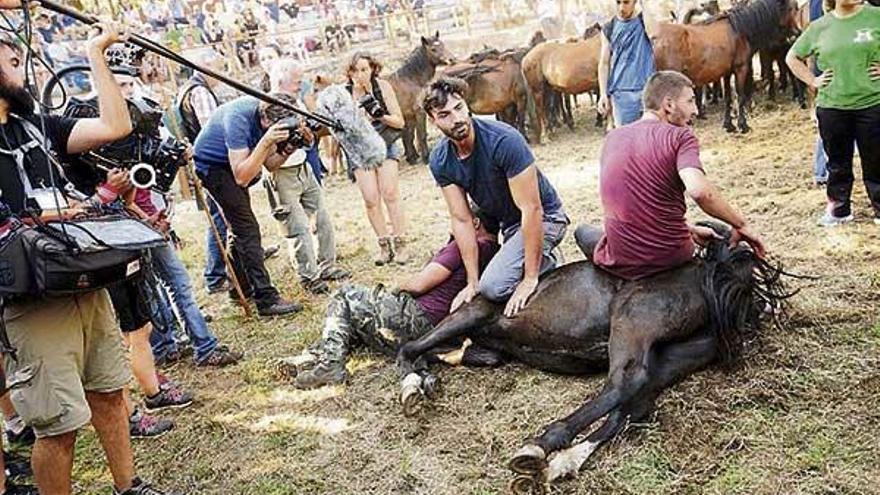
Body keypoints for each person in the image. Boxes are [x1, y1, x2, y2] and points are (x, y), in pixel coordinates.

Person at [0, 16, 175, 495]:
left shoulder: (35, 126)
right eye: (11, 60)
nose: (22, 67)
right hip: (31, 301)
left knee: (110, 393)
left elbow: (115, 125)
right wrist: (63, 214)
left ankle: (129, 487)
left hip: (82, 279)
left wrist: (97, 53)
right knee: (58, 424)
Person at [574, 71, 766, 281]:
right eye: (691, 101)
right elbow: (700, 191)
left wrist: (688, 229)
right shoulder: (681, 136)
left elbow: (631, 202)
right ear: (668, 105)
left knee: (582, 231)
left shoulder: (612, 137)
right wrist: (741, 224)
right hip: (668, 256)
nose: (695, 109)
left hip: (620, 258)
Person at [292, 206, 500, 389]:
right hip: (442, 330)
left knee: (344, 295)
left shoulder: (464, 245)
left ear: (474, 222)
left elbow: (420, 284)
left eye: (458, 218)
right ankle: (313, 355)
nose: (453, 222)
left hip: (417, 314)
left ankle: (330, 364)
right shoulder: (496, 255)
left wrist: (395, 288)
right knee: (356, 321)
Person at [422, 77, 568, 319]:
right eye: (445, 114)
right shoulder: (440, 160)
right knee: (480, 284)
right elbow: (461, 219)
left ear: (466, 105)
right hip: (509, 226)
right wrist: (471, 282)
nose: (457, 118)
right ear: (432, 119)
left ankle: (547, 262)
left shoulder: (504, 140)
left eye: (459, 108)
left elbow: (532, 209)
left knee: (493, 288)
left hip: (544, 218)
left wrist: (530, 278)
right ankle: (524, 257)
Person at [193, 92, 306, 317]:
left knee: (240, 229)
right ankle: (266, 299)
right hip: (213, 167)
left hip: (234, 166)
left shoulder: (269, 123)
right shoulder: (238, 119)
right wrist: (266, 142)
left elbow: (271, 165)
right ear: (265, 121)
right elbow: (242, 177)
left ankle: (239, 288)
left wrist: (288, 147)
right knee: (247, 229)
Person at [786, 0, 880, 226]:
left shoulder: (876, 15)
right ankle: (839, 210)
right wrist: (813, 80)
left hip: (872, 103)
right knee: (837, 164)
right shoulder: (820, 26)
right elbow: (792, 57)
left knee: (877, 160)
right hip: (833, 107)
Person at [270, 61, 350, 294]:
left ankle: (327, 264)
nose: (300, 85)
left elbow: (310, 138)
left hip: (303, 165)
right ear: (281, 80)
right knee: (297, 226)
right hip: (281, 173)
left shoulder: (295, 102)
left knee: (321, 215)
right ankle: (308, 275)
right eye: (297, 81)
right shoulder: (267, 106)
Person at [345, 52, 409, 265]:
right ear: (350, 72)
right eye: (356, 70)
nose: (361, 74)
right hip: (359, 148)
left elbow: (399, 122)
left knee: (390, 192)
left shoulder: (383, 87)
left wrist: (378, 115)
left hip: (384, 142)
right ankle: (384, 245)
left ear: (372, 69)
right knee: (371, 199)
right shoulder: (344, 94)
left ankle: (401, 242)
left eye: (365, 69)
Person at [597, 0, 656, 127]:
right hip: (621, 96)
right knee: (626, 139)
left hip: (647, 91)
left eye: (626, 2)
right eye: (618, 2)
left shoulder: (643, 22)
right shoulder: (609, 28)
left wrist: (644, 5)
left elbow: (653, 34)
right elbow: (604, 63)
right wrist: (603, 94)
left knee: (649, 138)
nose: (621, 8)